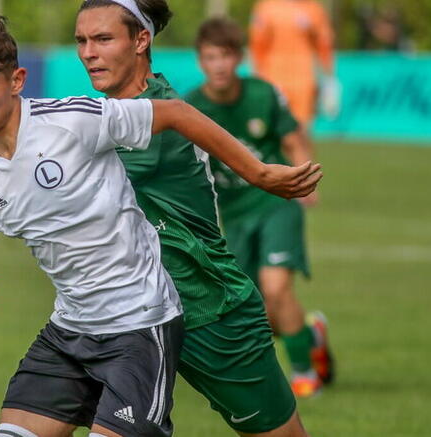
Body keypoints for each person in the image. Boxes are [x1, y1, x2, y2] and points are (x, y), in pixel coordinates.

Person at [0, 2, 322, 436]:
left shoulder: (148, 113)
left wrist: (261, 173)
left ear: (141, 40)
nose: (88, 52)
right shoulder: (93, 117)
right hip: (105, 320)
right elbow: (50, 187)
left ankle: (307, 342)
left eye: (103, 39)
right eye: (81, 41)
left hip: (203, 304)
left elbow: (58, 187)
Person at [185, 16, 336, 400]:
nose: (219, 65)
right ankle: (308, 333)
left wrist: (304, 180)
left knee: (276, 287)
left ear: (239, 58)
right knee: (252, 308)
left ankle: (304, 373)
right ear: (201, 61)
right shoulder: (190, 108)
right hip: (232, 217)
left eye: (226, 56)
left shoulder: (263, 94)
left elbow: (294, 138)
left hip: (276, 203)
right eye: (210, 57)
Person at [249, 0, 338, 127]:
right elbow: (257, 43)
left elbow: (324, 43)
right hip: (274, 76)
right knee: (272, 126)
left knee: (301, 128)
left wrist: (329, 77)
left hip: (304, 79)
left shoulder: (313, 8)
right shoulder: (267, 7)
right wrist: (257, 73)